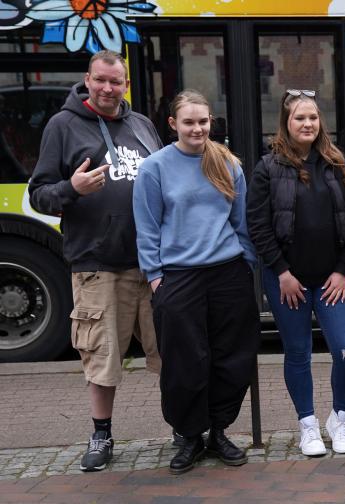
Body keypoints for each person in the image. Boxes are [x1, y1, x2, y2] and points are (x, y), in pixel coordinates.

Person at [28, 50, 162, 473]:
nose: (107, 88)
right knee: (102, 358)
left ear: (126, 84)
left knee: (173, 354)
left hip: (155, 265)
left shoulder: (142, 125)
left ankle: (185, 429)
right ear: (87, 79)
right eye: (100, 80)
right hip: (97, 264)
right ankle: (101, 434)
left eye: (116, 81)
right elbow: (39, 194)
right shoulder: (62, 126)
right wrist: (72, 187)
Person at [133, 90, 260, 474]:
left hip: (227, 274)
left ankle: (219, 432)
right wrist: (156, 279)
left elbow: (241, 222)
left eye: (203, 122)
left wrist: (246, 265)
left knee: (231, 357)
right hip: (179, 277)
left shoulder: (226, 163)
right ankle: (189, 435)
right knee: (184, 362)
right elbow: (147, 228)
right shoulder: (154, 168)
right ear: (173, 124)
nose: (197, 129)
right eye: (189, 122)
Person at [246, 89, 345, 457]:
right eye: (300, 118)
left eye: (313, 117)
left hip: (333, 279)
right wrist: (281, 271)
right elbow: (258, 225)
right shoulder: (268, 168)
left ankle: (339, 418)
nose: (308, 123)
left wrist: (344, 271)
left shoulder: (336, 163)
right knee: (298, 352)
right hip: (288, 281)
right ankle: (307, 426)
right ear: (286, 123)